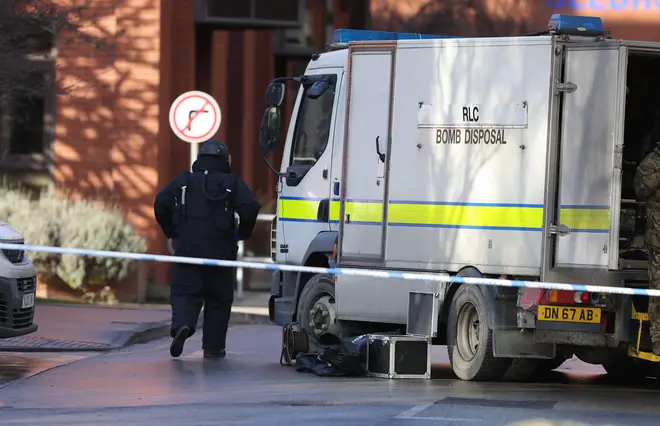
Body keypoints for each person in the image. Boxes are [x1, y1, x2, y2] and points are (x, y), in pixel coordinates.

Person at [154, 139, 261, 359]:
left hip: (187, 250)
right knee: (218, 300)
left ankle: (183, 325)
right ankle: (213, 347)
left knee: (185, 291)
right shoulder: (231, 182)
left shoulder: (184, 180)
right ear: (224, 160)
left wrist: (171, 231)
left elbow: (160, 202)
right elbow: (250, 207)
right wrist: (241, 233)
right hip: (221, 252)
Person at [634, 119, 660, 356]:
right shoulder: (651, 163)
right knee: (657, 290)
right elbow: (640, 190)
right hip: (658, 239)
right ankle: (657, 338)